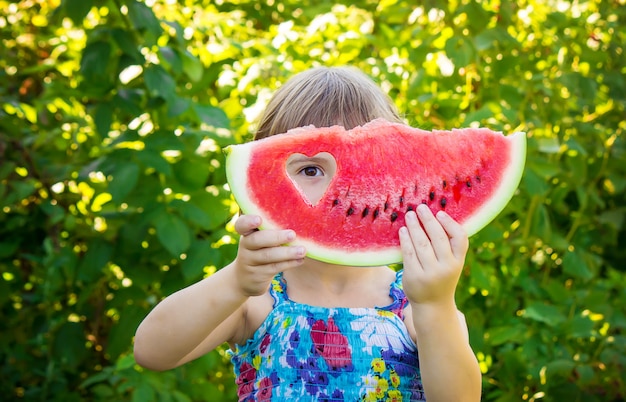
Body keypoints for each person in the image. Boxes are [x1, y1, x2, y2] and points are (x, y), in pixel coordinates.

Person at [134, 66, 482, 401]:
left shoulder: (414, 303)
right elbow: (152, 351)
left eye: (364, 171)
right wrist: (236, 281)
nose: (339, 190)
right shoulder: (257, 302)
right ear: (266, 176)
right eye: (311, 168)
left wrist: (436, 304)